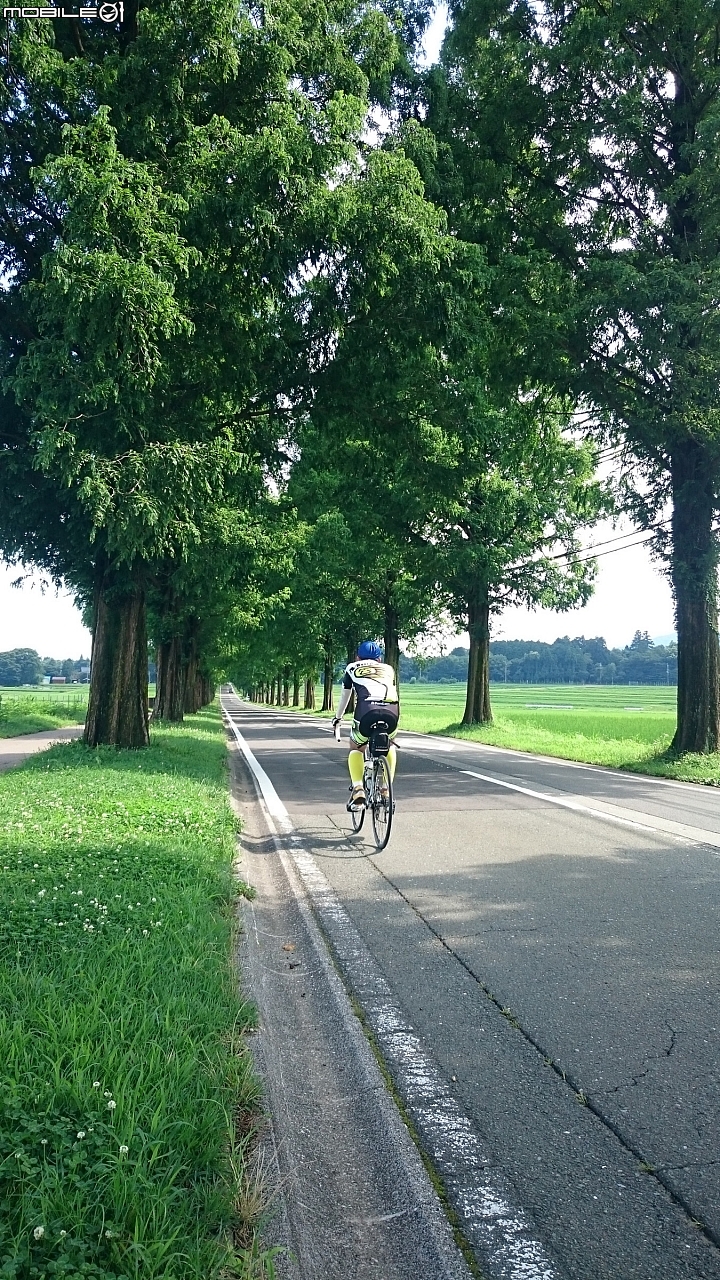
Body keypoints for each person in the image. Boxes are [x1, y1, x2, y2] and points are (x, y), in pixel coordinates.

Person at [332, 640, 399, 809]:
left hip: (366, 711)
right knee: (390, 745)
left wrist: (338, 718)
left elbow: (345, 696)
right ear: (379, 659)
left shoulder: (352, 667)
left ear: (357, 657)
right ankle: (386, 789)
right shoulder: (389, 669)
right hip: (392, 712)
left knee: (356, 748)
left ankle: (358, 789)